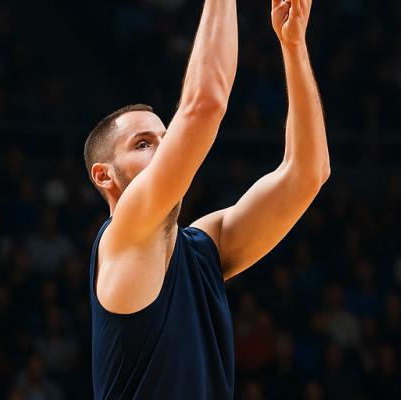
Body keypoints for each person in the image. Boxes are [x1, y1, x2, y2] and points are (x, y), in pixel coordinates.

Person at [84, 0, 329, 397]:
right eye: (144, 144)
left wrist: (294, 46)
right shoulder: (122, 238)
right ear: (104, 175)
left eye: (167, 138)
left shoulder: (202, 248)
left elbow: (308, 173)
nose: (165, 150)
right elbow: (205, 105)